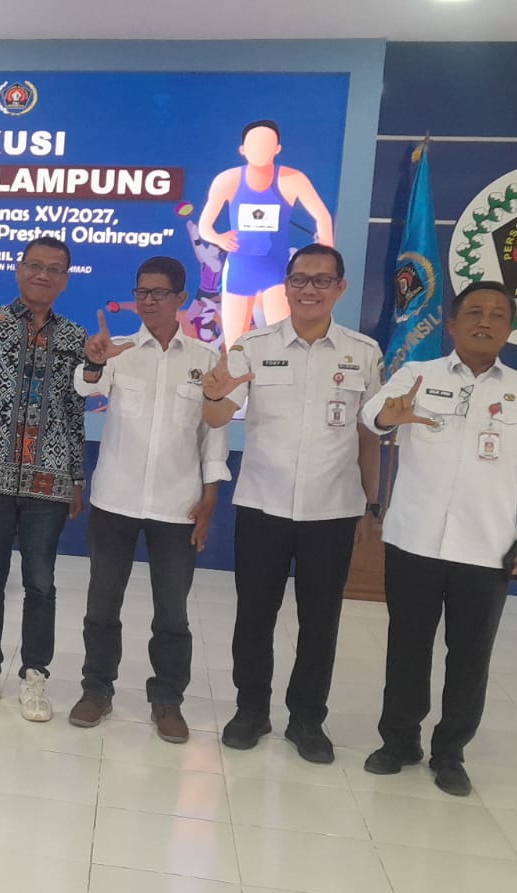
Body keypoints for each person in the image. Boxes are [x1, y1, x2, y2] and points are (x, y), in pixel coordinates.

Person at [360, 282, 517, 797]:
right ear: (452, 324)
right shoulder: (417, 374)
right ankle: (399, 741)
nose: (484, 321)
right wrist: (389, 416)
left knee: (470, 655)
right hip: (414, 540)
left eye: (497, 315)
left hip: (486, 547)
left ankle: (450, 752)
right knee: (407, 647)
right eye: (474, 312)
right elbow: (372, 415)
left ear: (510, 329)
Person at [202, 244, 382, 764]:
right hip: (263, 504)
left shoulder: (363, 352)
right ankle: (251, 711)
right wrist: (213, 395)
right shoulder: (252, 345)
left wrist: (372, 505)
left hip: (334, 508)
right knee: (254, 617)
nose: (309, 289)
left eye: (322, 280)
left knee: (320, 621)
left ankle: (307, 719)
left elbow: (369, 435)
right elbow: (217, 418)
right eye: (300, 279)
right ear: (285, 285)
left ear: (340, 288)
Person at [68, 257, 230, 742]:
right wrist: (94, 361)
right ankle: (96, 690)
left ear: (180, 298)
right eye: (142, 292)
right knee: (102, 605)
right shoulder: (118, 351)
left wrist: (210, 496)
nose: (149, 301)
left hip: (178, 505)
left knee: (172, 614)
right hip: (115, 500)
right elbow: (84, 386)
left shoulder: (205, 359)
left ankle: (167, 700)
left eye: (159, 293)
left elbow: (213, 434)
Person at [0, 236, 88, 723]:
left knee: (41, 584)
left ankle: (35, 675)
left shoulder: (74, 337)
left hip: (49, 483)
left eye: (54, 268)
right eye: (35, 265)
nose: (43, 274)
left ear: (65, 280)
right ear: (19, 269)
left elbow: (75, 414)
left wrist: (76, 477)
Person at [198, 120, 335, 347]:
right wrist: (219, 239)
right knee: (235, 346)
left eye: (266, 144)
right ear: (242, 150)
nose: (260, 149)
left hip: (275, 271)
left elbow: (323, 216)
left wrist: (326, 258)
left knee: (282, 343)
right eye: (254, 144)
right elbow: (205, 227)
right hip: (239, 271)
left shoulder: (292, 180)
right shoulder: (228, 180)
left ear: (277, 148)